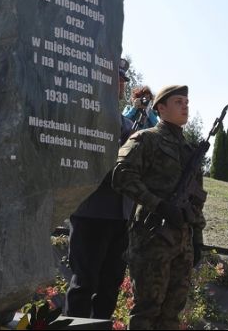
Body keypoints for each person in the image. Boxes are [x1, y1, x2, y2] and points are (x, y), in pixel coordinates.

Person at [112, 85, 206, 329]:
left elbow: (197, 200)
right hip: (152, 237)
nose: (185, 105)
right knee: (147, 310)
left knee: (171, 315)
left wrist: (197, 236)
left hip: (182, 241)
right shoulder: (146, 139)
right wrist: (160, 206)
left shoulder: (189, 150)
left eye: (187, 101)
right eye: (178, 101)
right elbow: (122, 175)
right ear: (160, 108)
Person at [64, 59, 135, 320]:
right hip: (90, 212)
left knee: (109, 287)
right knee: (84, 285)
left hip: (121, 215)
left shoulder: (129, 127)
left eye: (122, 80)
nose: (119, 84)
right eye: (113, 78)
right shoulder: (83, 116)